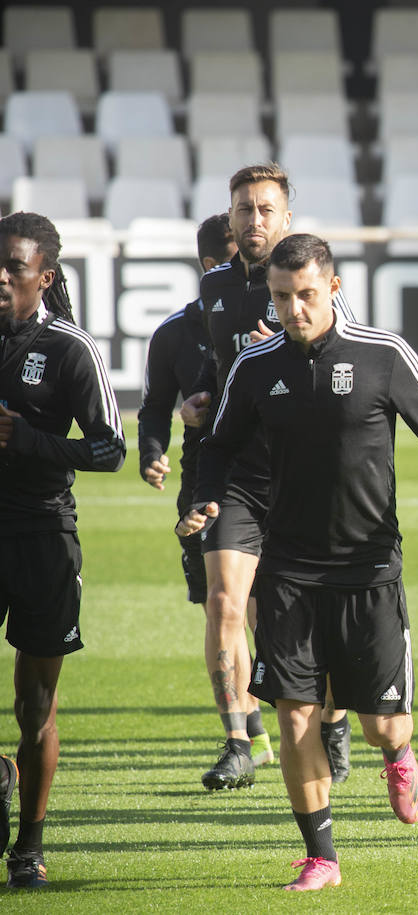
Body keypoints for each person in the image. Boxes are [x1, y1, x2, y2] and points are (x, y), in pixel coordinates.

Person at [178, 234, 418, 888]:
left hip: (369, 571)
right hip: (288, 570)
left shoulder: (383, 354)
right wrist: (204, 498)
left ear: (333, 288)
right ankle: (322, 856)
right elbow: (219, 444)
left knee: (380, 723)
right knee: (294, 715)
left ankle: (398, 752)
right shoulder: (255, 366)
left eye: (306, 295)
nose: (293, 309)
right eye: (281, 297)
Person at [181, 164, 354, 790]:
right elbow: (212, 361)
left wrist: (290, 345)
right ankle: (237, 739)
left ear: (287, 217)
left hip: (305, 472)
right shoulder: (215, 288)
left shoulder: (310, 276)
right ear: (228, 217)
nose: (253, 220)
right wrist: (196, 397)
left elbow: (350, 363)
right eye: (243, 209)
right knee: (225, 602)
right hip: (235, 469)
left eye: (265, 209)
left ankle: (333, 720)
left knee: (314, 617)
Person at [0, 212, 126, 887]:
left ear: (43, 276)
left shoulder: (71, 347)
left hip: (43, 534)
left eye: (12, 267)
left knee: (34, 704)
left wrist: (29, 441)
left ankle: (28, 849)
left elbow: (110, 449)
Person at [137, 215, 276, 767]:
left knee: (268, 614)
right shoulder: (175, 333)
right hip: (206, 476)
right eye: (225, 262)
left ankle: (283, 723)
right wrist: (153, 450)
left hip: (274, 474)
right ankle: (245, 737)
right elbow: (153, 407)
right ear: (207, 268)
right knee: (224, 606)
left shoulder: (278, 315)